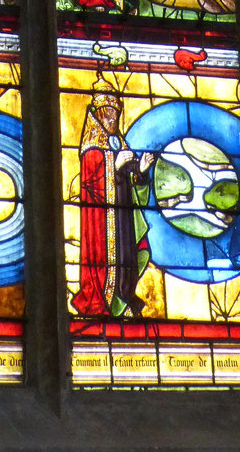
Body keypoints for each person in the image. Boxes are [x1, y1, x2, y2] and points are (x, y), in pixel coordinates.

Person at [70, 89, 156, 319]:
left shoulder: (119, 143)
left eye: (115, 116)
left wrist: (142, 172)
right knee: (108, 262)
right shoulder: (91, 150)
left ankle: (123, 298)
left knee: (128, 259)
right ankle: (106, 301)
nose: (111, 120)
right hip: (103, 222)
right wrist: (113, 165)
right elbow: (91, 186)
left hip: (124, 218)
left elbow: (133, 186)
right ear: (97, 117)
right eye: (107, 115)